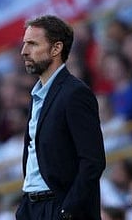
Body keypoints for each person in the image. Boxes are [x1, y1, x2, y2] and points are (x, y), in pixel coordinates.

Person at [16, 15, 106, 220]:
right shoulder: (36, 96)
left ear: (56, 49)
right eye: (24, 44)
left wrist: (68, 210)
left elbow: (93, 161)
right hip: (32, 208)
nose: (24, 51)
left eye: (32, 44)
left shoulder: (75, 93)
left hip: (58, 208)